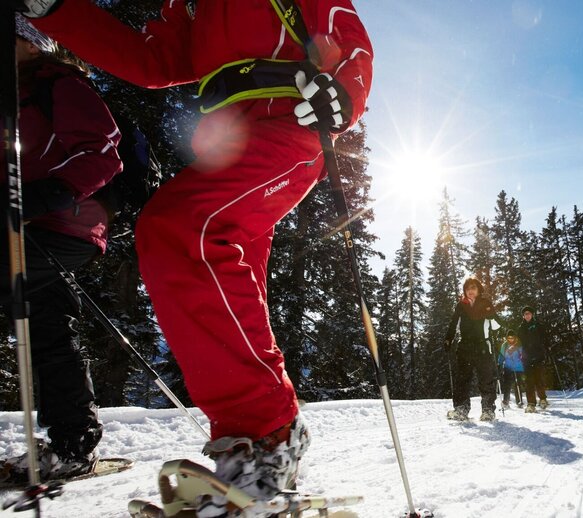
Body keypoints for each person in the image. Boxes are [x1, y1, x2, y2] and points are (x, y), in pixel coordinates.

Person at [24, 0, 372, 513]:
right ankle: (250, 452)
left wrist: (346, 89)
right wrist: (53, 10)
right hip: (228, 139)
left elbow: (345, 31)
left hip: (289, 121)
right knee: (233, 281)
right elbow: (153, 61)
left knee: (180, 230)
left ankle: (268, 438)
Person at [0, 15, 122, 484]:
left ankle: (72, 443)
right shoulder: (15, 92)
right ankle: (72, 445)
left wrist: (46, 195)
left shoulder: (59, 83)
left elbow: (102, 152)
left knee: (46, 318)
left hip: (65, 223)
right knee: (48, 321)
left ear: (31, 44)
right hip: (25, 223)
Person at [445, 278, 501, 422]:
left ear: (478, 290)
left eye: (473, 288)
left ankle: (488, 410)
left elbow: (496, 325)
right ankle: (461, 409)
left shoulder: (485, 303)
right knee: (462, 380)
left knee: (486, 379)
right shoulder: (461, 305)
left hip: (482, 347)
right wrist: (448, 338)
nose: (470, 291)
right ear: (465, 291)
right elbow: (453, 323)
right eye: (468, 288)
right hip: (465, 347)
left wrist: (490, 315)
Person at [518, 305, 549, 412]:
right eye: (525, 314)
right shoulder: (521, 328)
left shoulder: (538, 326)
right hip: (526, 357)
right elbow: (519, 343)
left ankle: (543, 399)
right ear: (523, 316)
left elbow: (545, 338)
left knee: (539, 379)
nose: (527, 316)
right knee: (529, 381)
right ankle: (531, 403)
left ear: (532, 314)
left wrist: (547, 348)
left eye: (528, 313)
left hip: (538, 355)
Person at [497, 330, 525, 410]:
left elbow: (522, 354)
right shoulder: (504, 345)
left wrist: (522, 357)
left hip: (518, 367)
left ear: (514, 337)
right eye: (509, 338)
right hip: (508, 367)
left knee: (518, 384)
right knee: (507, 384)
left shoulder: (519, 344)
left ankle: (519, 400)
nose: (510, 339)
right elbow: (502, 355)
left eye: (512, 338)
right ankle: (506, 401)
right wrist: (499, 363)